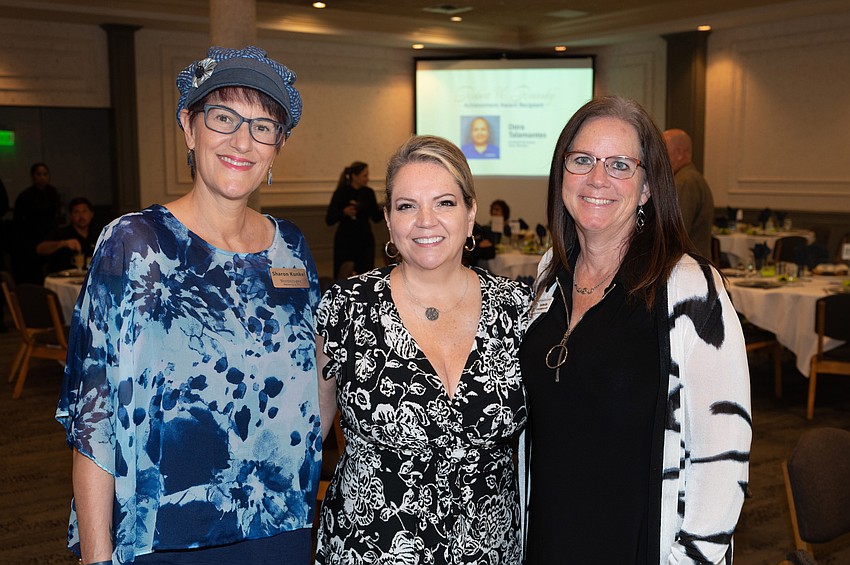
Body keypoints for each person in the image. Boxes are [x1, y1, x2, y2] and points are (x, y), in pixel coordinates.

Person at [56, 46, 322, 565]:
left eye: (263, 127)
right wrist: (96, 555)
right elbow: (95, 416)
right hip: (165, 533)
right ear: (189, 126)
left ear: (278, 146)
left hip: (278, 525)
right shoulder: (135, 244)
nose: (242, 141)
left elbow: (311, 383)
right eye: (223, 118)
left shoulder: (291, 248)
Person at [519, 96, 751, 564]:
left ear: (647, 189)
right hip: (548, 537)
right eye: (582, 160)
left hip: (637, 543)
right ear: (562, 174)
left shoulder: (689, 288)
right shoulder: (550, 273)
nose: (597, 178)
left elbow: (722, 455)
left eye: (620, 165)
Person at [314, 135, 531, 564]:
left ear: (470, 214)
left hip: (490, 552)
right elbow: (307, 437)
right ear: (389, 220)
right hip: (371, 550)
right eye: (407, 206)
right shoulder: (346, 308)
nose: (425, 221)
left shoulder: (519, 310)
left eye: (445, 203)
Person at [324, 161, 383, 278]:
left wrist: (386, 207)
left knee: (366, 276)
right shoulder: (341, 193)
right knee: (344, 275)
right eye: (364, 175)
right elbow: (329, 219)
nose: (367, 179)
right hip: (346, 241)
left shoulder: (368, 193)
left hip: (365, 240)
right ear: (354, 176)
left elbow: (375, 218)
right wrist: (344, 212)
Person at [663, 128, 715, 259]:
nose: (660, 158)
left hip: (688, 264)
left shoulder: (685, 182)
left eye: (664, 151)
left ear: (680, 153)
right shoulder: (691, 177)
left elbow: (674, 233)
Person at [12, 162, 63, 283]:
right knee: (33, 273)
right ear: (33, 176)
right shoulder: (25, 196)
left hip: (50, 236)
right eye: (38, 174)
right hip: (30, 239)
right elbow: (18, 222)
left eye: (45, 174)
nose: (42, 177)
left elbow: (57, 215)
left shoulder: (52, 193)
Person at [36, 197, 98, 273]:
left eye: (84, 211)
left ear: (91, 214)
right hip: (63, 277)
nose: (81, 216)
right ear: (70, 216)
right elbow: (40, 249)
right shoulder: (61, 233)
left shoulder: (97, 236)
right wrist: (63, 243)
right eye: (76, 212)